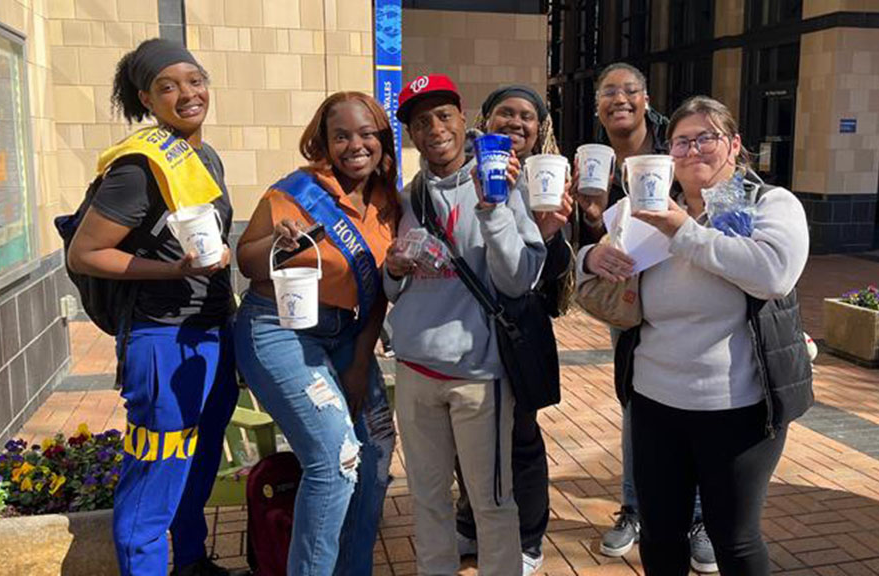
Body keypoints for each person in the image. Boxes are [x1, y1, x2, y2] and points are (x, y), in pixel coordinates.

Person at [581, 95, 810, 575]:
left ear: (735, 145)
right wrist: (590, 259)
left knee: (734, 539)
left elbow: (772, 274)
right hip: (654, 404)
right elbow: (591, 288)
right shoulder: (641, 212)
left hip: (738, 408)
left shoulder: (769, 204)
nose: (693, 150)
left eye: (708, 137)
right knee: (661, 534)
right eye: (682, 141)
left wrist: (682, 230)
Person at [66, 38, 237, 576]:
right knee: (156, 477)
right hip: (161, 340)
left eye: (194, 80)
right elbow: (87, 253)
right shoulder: (139, 167)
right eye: (168, 86)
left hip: (211, 334)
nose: (187, 94)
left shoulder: (202, 155)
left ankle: (190, 563)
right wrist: (172, 270)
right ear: (148, 98)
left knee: (198, 464)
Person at [385, 74, 546, 575]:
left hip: (479, 376)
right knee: (428, 500)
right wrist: (393, 268)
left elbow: (519, 280)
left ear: (462, 119)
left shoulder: (501, 181)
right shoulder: (406, 198)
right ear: (411, 134)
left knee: (492, 503)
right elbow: (391, 292)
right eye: (419, 121)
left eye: (442, 116)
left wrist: (493, 209)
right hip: (414, 372)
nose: (433, 129)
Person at [233, 92, 399, 575]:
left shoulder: (388, 200)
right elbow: (246, 262)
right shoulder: (295, 192)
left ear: (383, 138)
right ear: (323, 141)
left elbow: (378, 292)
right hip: (280, 328)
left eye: (367, 133)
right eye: (341, 135)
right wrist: (279, 246)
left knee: (374, 454)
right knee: (336, 459)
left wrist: (361, 362)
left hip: (348, 334)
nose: (356, 145)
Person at [571, 62, 715, 571]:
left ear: (646, 95)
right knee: (638, 401)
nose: (620, 99)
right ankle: (635, 509)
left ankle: (697, 519)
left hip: (690, 290)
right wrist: (589, 222)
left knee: (693, 403)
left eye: (630, 90)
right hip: (632, 296)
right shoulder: (593, 162)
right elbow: (584, 244)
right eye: (609, 92)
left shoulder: (675, 144)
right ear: (597, 106)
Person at [452, 85, 573, 575]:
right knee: (467, 432)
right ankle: (469, 519)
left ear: (538, 127)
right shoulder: (459, 171)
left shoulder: (548, 178)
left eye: (527, 116)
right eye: (506, 113)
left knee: (521, 436)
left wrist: (547, 233)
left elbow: (556, 282)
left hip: (517, 330)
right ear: (486, 118)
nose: (515, 123)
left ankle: (527, 539)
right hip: (463, 327)